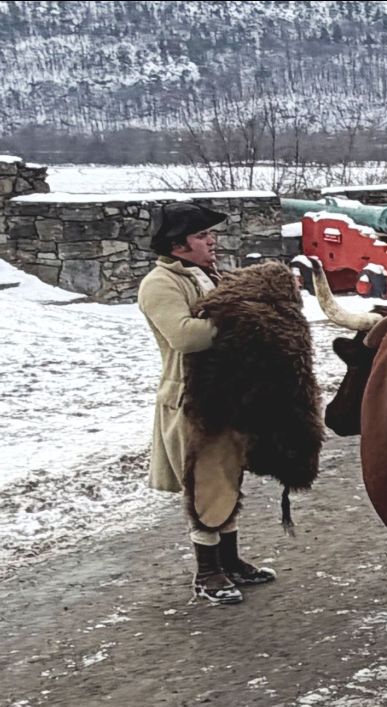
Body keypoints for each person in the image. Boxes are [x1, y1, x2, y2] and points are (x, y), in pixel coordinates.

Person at [137, 202, 277, 605]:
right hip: (192, 400)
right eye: (201, 236)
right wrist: (246, 321)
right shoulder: (160, 284)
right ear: (178, 245)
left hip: (226, 395)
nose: (211, 241)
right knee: (205, 484)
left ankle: (230, 562)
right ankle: (207, 573)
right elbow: (186, 336)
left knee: (227, 479)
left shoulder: (206, 275)